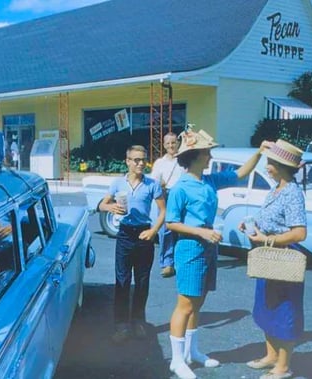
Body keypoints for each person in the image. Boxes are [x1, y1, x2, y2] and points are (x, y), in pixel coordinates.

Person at [165, 127, 269, 379]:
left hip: (208, 246)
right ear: (195, 155)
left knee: (198, 302)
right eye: (207, 152)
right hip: (190, 247)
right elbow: (171, 223)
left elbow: (240, 174)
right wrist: (202, 233)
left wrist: (259, 152)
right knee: (185, 304)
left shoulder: (209, 180)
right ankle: (177, 361)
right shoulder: (181, 187)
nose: (211, 156)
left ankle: (193, 352)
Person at [242, 139, 307, 379]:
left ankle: (283, 366)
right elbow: (271, 220)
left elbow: (300, 232)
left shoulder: (292, 192)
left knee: (284, 310)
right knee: (266, 306)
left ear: (281, 166)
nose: (267, 166)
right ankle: (271, 356)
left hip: (283, 256)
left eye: (270, 162)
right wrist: (253, 226)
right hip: (269, 256)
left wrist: (267, 240)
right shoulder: (276, 188)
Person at [99, 145, 165, 341]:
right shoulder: (118, 183)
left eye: (143, 160)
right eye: (136, 160)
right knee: (122, 281)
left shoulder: (152, 184)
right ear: (127, 161)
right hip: (125, 235)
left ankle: (138, 321)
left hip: (144, 234)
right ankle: (121, 325)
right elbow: (102, 204)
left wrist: (153, 231)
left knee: (142, 282)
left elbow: (163, 211)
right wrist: (111, 208)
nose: (141, 163)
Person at [150, 132, 181, 278]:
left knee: (182, 228)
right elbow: (153, 181)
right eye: (168, 143)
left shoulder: (183, 160)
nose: (171, 146)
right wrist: (159, 184)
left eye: (173, 142)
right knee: (166, 230)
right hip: (165, 195)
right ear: (164, 145)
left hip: (181, 195)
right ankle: (167, 263)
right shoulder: (159, 163)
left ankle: (179, 261)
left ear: (178, 143)